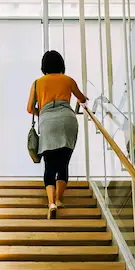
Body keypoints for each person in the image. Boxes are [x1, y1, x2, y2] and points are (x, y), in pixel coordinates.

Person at [27, 50, 87, 219]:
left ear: (43, 66)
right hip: (68, 119)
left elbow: (30, 108)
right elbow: (82, 99)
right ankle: (60, 199)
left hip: (48, 122)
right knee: (63, 161)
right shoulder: (68, 80)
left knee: (49, 164)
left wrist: (45, 113)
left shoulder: (38, 83)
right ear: (61, 64)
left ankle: (51, 202)